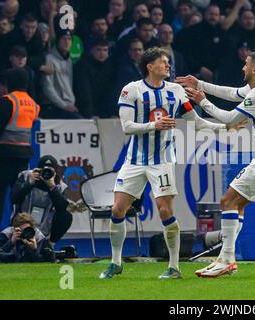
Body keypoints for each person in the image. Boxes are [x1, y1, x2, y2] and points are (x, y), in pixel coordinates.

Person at [99, 47, 239, 280]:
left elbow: (198, 123)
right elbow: (126, 127)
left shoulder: (176, 92)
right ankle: (115, 262)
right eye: (163, 62)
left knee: (165, 210)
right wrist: (154, 126)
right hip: (134, 161)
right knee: (117, 209)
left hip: (162, 161)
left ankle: (174, 267)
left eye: (168, 62)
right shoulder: (131, 90)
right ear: (149, 66)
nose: (168, 66)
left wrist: (225, 126)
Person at [177, 51, 255, 278]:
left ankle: (227, 259)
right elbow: (232, 93)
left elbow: (230, 118)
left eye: (246, 64)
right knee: (237, 205)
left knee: (227, 200)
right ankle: (225, 258)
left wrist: (203, 101)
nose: (242, 67)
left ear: (254, 69)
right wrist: (199, 83)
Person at [0, 68, 40, 233]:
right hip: (23, 156)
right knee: (19, 197)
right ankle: (21, 232)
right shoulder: (33, 104)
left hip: (5, 154)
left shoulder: (7, 101)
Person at [10, 155, 72, 246]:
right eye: (43, 170)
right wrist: (29, 184)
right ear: (38, 169)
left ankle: (49, 244)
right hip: (22, 224)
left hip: (45, 228)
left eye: (50, 171)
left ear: (55, 172)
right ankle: (16, 240)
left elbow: (62, 209)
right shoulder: (26, 176)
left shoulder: (59, 186)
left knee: (66, 216)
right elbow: (13, 199)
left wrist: (52, 187)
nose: (46, 174)